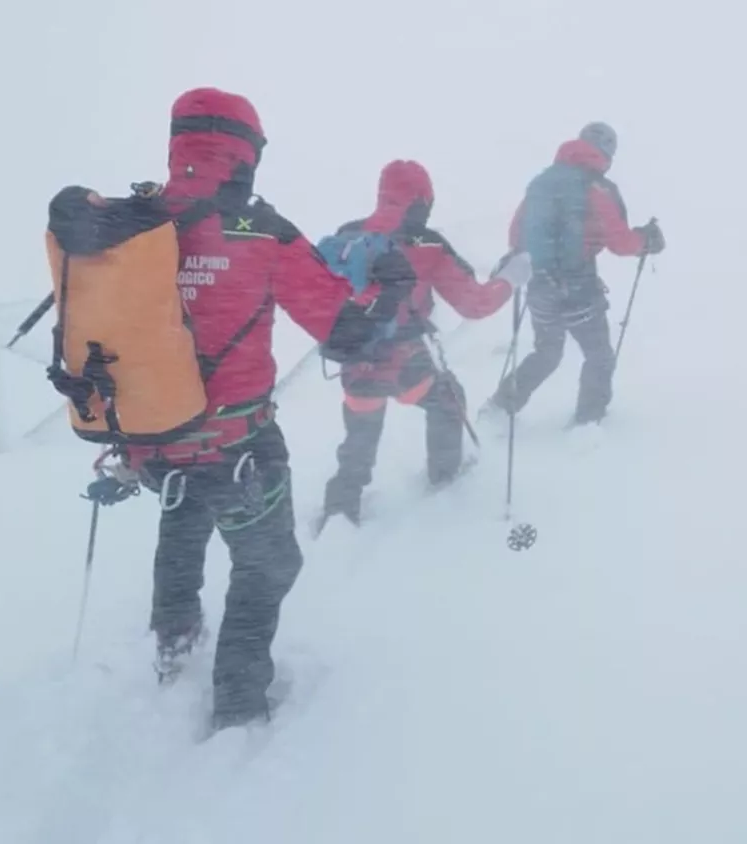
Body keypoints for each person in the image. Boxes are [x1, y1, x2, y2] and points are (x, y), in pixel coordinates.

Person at [115, 88, 407, 731]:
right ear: (246, 153)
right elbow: (344, 333)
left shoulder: (134, 223)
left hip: (155, 439)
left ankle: (173, 638)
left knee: (183, 520)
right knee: (268, 563)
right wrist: (391, 293)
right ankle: (240, 703)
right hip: (237, 445)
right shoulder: (260, 231)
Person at [319, 159, 518, 528]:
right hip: (405, 363)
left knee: (360, 438)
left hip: (355, 362)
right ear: (423, 201)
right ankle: (445, 482)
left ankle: (340, 509)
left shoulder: (348, 233)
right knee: (447, 400)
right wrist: (510, 279)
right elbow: (475, 304)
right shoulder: (427, 243)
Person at [486, 122, 664, 426]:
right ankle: (588, 423)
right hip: (578, 287)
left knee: (547, 352)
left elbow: (516, 234)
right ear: (607, 154)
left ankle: (500, 407)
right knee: (599, 355)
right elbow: (620, 243)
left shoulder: (542, 182)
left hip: (539, 285)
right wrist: (646, 241)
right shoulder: (597, 187)